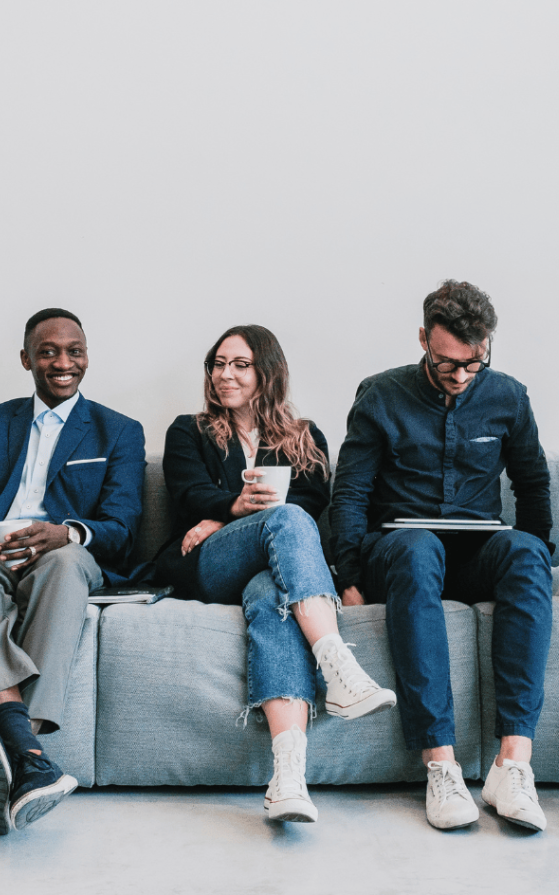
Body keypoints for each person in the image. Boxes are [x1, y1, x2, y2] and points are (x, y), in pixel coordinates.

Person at [330, 281, 554, 832]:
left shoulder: (509, 396)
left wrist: (541, 553)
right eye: (446, 362)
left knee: (526, 554)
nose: (459, 375)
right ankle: (441, 765)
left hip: (477, 550)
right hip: (401, 553)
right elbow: (351, 491)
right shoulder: (380, 394)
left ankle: (512, 765)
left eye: (472, 363)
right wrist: (349, 573)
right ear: (423, 340)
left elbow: (533, 484)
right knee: (416, 545)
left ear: (488, 345)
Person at [155, 324, 396, 823]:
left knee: (271, 594)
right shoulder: (189, 429)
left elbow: (313, 502)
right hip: (209, 565)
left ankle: (288, 778)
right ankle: (335, 664)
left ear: (267, 371)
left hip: (270, 570)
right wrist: (231, 509)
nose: (226, 374)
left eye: (240, 364)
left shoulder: (305, 437)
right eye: (219, 364)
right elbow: (188, 491)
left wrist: (230, 516)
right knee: (286, 519)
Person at [0, 307, 145, 835]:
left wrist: (67, 532)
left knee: (66, 563)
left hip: (64, 555)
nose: (63, 362)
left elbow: (122, 527)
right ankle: (32, 763)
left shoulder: (118, 431)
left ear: (86, 356)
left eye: (74, 350)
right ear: (26, 358)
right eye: (49, 351)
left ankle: (16, 745)